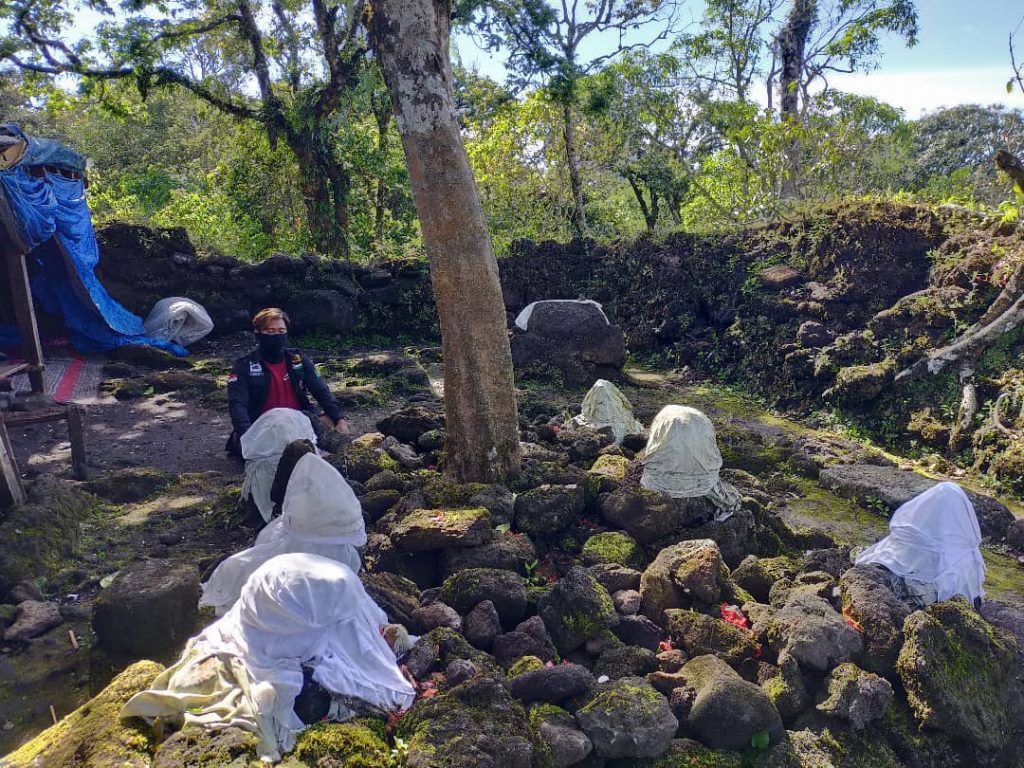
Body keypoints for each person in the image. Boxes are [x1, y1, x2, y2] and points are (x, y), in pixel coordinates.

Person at [121, 553, 416, 762]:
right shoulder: (282, 611)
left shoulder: (339, 591)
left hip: (296, 605)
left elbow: (359, 615)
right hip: (283, 611)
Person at [226, 307, 347, 456]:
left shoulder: (298, 360)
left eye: (281, 331)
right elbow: (238, 406)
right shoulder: (244, 366)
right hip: (262, 426)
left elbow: (321, 391)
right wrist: (247, 437)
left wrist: (339, 418)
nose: (276, 336)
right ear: (258, 333)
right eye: (270, 331)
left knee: (330, 426)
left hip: (299, 421)